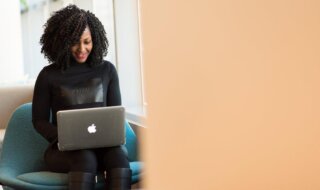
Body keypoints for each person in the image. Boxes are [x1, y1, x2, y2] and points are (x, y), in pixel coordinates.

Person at [32, 5, 131, 190]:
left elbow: (114, 115)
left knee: (119, 156)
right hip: (65, 151)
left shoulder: (107, 70)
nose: (81, 49)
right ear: (62, 42)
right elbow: (39, 121)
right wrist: (66, 137)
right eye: (74, 42)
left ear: (95, 40)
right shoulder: (48, 75)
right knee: (85, 157)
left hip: (103, 148)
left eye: (87, 42)